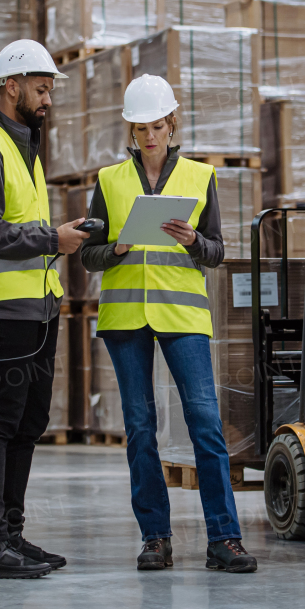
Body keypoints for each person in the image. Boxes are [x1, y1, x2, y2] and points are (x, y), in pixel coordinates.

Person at [81, 74, 258, 575]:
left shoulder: (201, 178)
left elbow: (218, 251)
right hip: (125, 320)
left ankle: (225, 538)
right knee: (140, 429)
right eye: (140, 129)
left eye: (157, 126)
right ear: (130, 131)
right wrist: (113, 249)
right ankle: (155, 537)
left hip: (182, 315)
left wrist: (192, 242)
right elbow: (87, 258)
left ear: (171, 124)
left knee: (205, 423)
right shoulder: (109, 181)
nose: (149, 136)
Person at [0, 39, 90, 580]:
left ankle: (10, 533)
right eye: (41, 87)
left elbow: (19, 227)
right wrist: (52, 238)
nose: (48, 98)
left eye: (49, 88)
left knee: (29, 423)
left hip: (37, 309)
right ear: (12, 86)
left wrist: (59, 237)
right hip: (0, 312)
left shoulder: (24, 147)